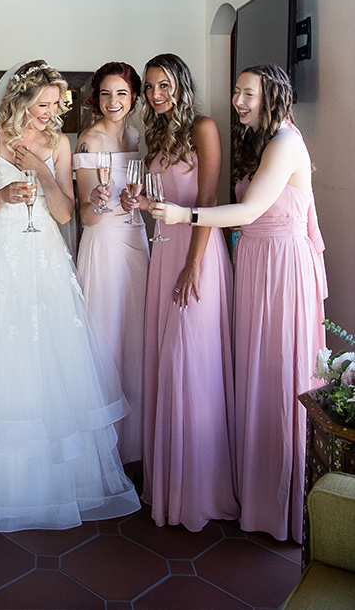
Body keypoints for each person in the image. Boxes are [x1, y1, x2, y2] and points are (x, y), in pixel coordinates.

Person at [0, 60, 140, 533]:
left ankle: (54, 483)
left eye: (53, 104)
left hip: (44, 253)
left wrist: (42, 172)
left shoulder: (59, 144)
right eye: (40, 104)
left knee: (51, 358)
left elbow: (66, 213)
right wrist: (3, 197)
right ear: (19, 98)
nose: (47, 113)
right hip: (0, 257)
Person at [150, 64, 327, 542]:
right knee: (253, 378)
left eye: (248, 93)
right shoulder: (264, 141)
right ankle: (257, 496)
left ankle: (286, 508)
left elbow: (249, 210)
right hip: (255, 264)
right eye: (236, 92)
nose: (238, 101)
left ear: (273, 94)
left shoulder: (286, 142)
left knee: (278, 377)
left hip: (282, 270)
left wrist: (185, 213)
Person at [123, 53, 238, 532]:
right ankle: (167, 486)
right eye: (149, 87)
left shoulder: (204, 128)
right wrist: (140, 203)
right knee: (166, 366)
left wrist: (194, 264)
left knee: (190, 364)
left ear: (181, 84)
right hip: (163, 252)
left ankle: (198, 492)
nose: (155, 94)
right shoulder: (159, 135)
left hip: (198, 254)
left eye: (163, 84)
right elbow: (163, 205)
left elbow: (207, 201)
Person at [73, 61, 149, 469]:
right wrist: (102, 200)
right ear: (95, 98)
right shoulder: (88, 141)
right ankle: (102, 452)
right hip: (103, 244)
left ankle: (132, 446)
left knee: (134, 338)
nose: (113, 101)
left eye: (121, 93)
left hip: (136, 238)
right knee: (104, 341)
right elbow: (85, 216)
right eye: (105, 93)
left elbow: (142, 194)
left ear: (134, 96)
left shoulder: (138, 136)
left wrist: (134, 202)